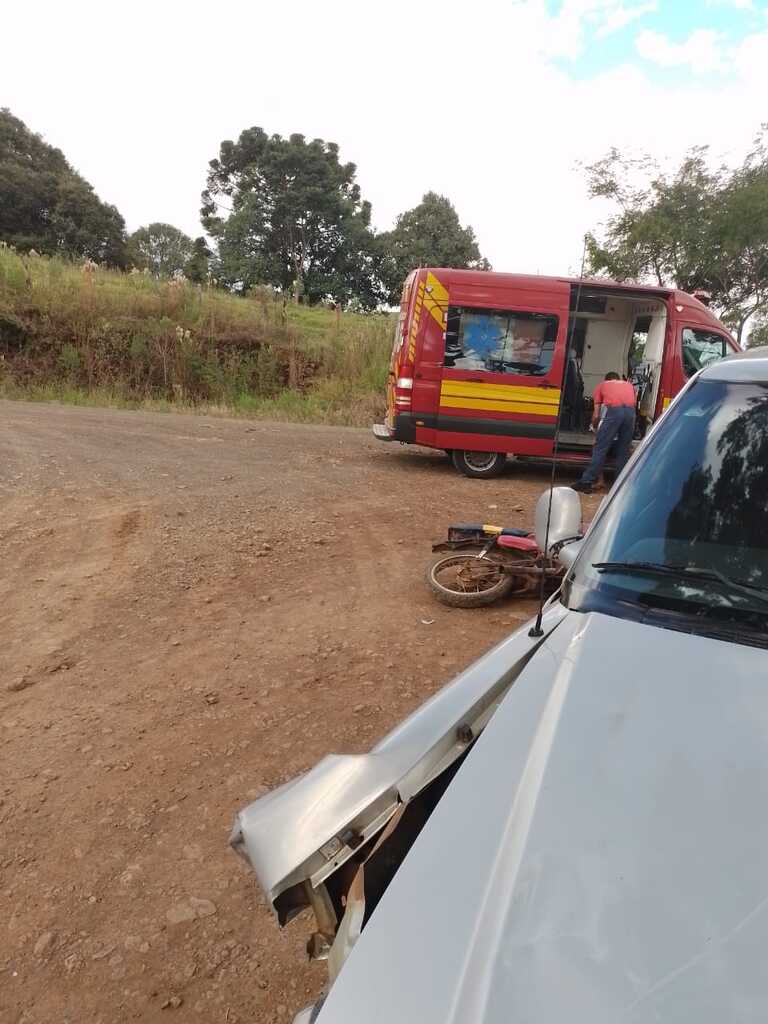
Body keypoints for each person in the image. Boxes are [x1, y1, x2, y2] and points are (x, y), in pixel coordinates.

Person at [572, 372, 636, 494]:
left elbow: (596, 415)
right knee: (623, 450)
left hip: (615, 412)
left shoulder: (602, 386)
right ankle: (620, 486)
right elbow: (633, 404)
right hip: (630, 413)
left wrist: (594, 427)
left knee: (600, 448)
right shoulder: (629, 385)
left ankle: (586, 481)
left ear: (606, 380)